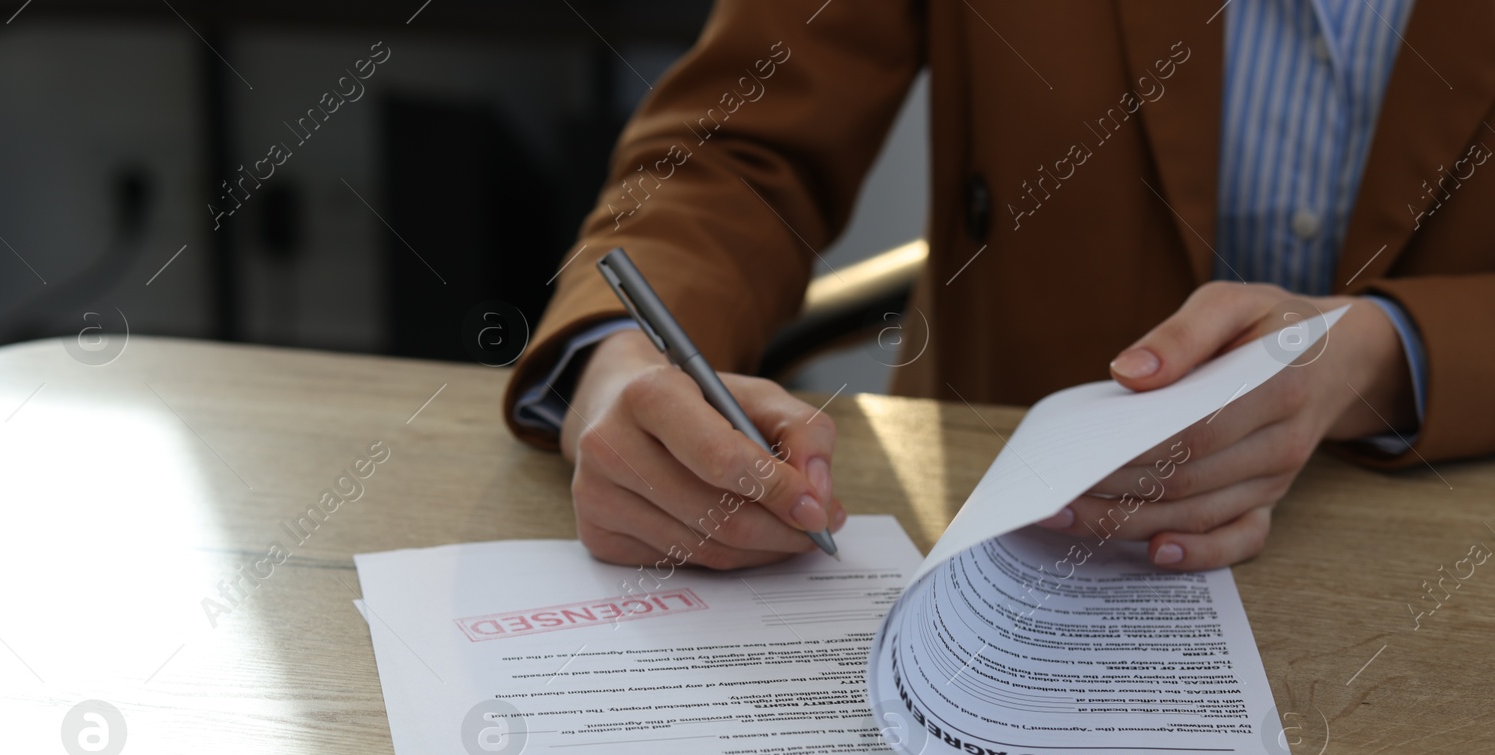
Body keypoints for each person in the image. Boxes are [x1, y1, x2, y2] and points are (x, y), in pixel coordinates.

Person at [503, 0, 1494, 571]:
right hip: (1002, 556)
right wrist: (613, 359)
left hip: (1428, 560)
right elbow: (733, 147)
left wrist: (1387, 351)